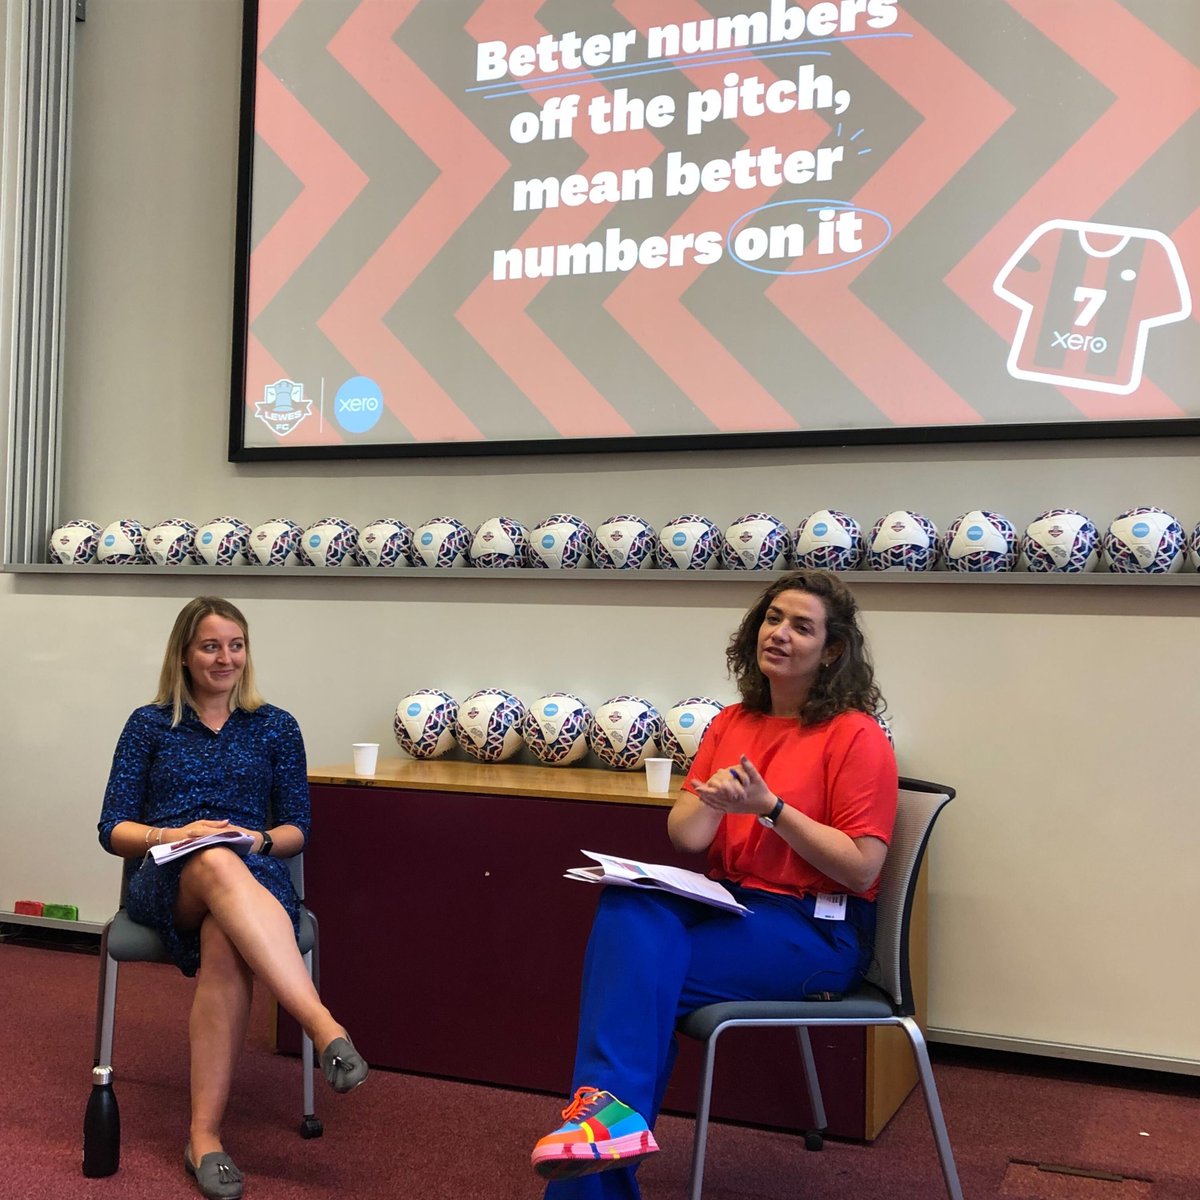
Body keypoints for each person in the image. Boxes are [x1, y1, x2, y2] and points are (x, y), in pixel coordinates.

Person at [530, 569, 898, 1198]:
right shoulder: (731, 721)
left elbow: (862, 867)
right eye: (773, 619)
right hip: (734, 906)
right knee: (628, 905)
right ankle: (607, 1127)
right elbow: (687, 838)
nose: (779, 634)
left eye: (801, 626)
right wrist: (716, 801)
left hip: (815, 929)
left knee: (638, 979)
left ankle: (601, 1138)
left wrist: (771, 809)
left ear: (832, 650)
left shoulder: (855, 734)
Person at [98, 597, 367, 1200]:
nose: (225, 658)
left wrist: (257, 838)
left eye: (235, 645)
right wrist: (176, 835)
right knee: (213, 857)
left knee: (225, 930)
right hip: (167, 878)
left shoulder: (276, 726)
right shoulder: (149, 725)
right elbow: (113, 829)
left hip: (253, 875)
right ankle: (324, 1026)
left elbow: (297, 828)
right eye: (210, 646)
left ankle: (204, 1139)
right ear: (184, 655)